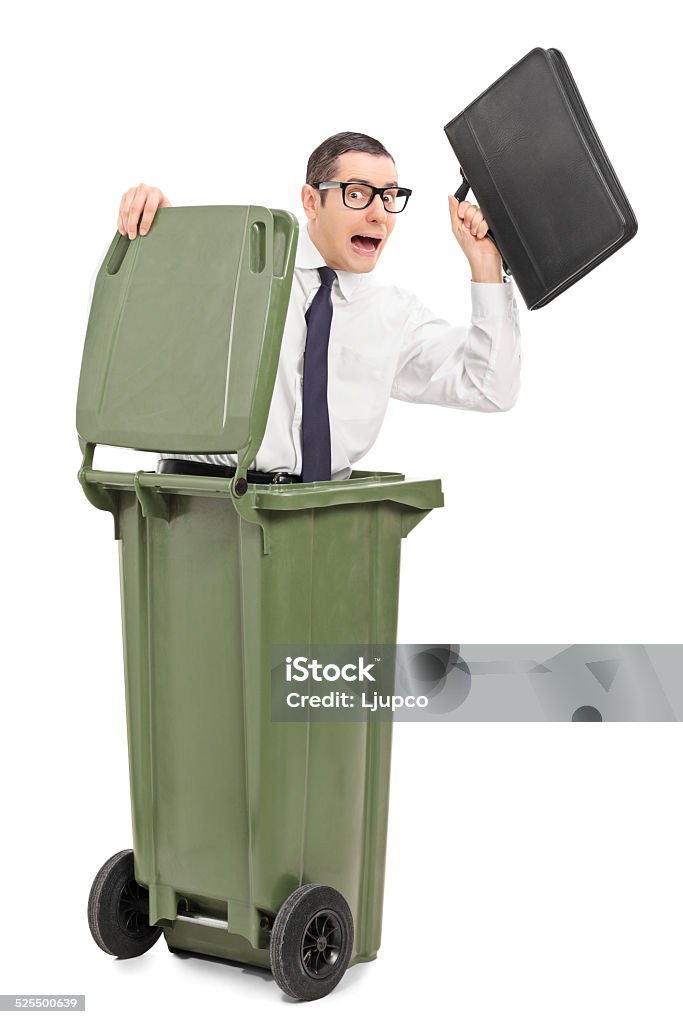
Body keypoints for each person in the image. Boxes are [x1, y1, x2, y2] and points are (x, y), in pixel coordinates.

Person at [116, 132, 521, 482]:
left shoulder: (392, 314)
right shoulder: (238, 268)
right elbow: (147, 326)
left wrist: (485, 267)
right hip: (203, 504)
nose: (379, 214)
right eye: (357, 194)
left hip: (321, 516)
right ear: (311, 202)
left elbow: (490, 387)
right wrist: (158, 231)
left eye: (390, 196)